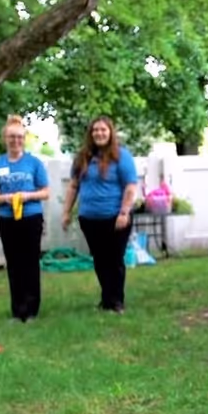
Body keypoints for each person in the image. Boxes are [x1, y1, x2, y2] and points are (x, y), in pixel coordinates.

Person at [61, 116, 139, 314]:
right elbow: (73, 186)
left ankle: (117, 302)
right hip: (89, 219)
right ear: (90, 134)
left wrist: (124, 212)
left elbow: (130, 186)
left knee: (115, 260)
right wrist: (66, 212)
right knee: (100, 260)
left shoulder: (122, 156)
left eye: (103, 129)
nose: (99, 133)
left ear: (110, 132)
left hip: (115, 218)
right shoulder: (83, 158)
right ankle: (106, 299)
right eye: (95, 130)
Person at [0, 114, 51, 323]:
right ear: (5, 138)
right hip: (7, 219)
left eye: (19, 137)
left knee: (30, 263)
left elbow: (46, 192)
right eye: (12, 137)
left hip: (31, 218)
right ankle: (17, 310)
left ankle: (31, 310)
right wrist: (4, 198)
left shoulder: (34, 163)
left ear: (25, 139)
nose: (16, 141)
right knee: (14, 264)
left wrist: (27, 195)